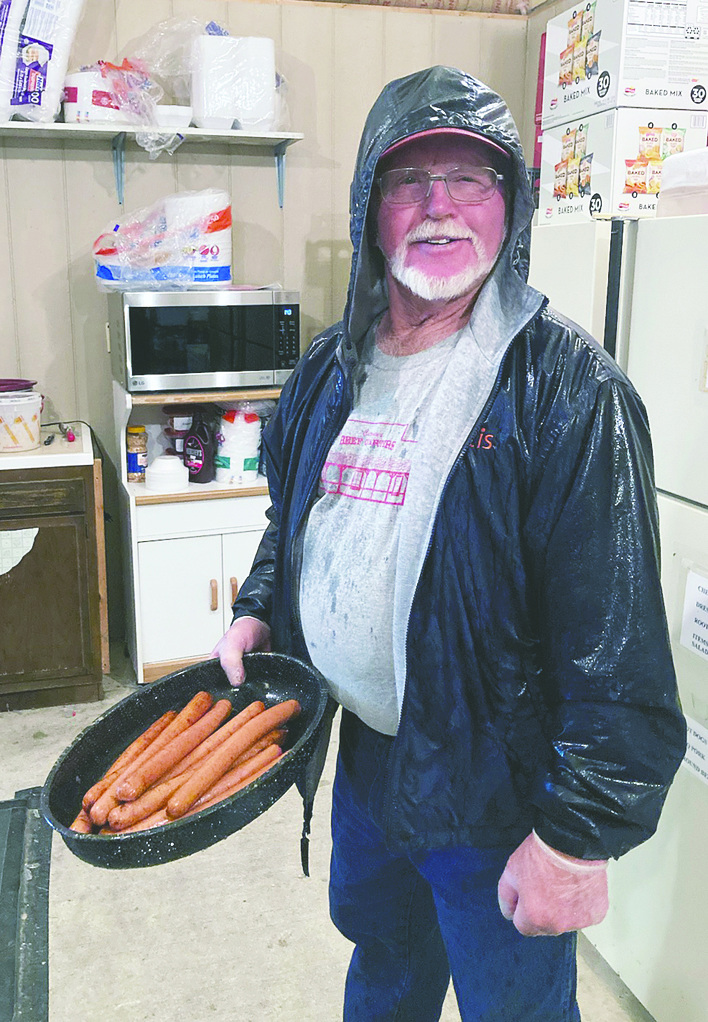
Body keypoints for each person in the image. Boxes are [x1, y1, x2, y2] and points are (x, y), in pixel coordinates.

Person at [212, 66, 686, 1022]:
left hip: (497, 789)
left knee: (513, 1009)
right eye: (408, 181)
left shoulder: (567, 393)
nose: (438, 208)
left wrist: (576, 840)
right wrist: (263, 605)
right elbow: (293, 518)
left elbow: (619, 644)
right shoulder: (328, 371)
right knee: (384, 970)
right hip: (370, 766)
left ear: (509, 205)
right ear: (369, 210)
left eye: (468, 180)